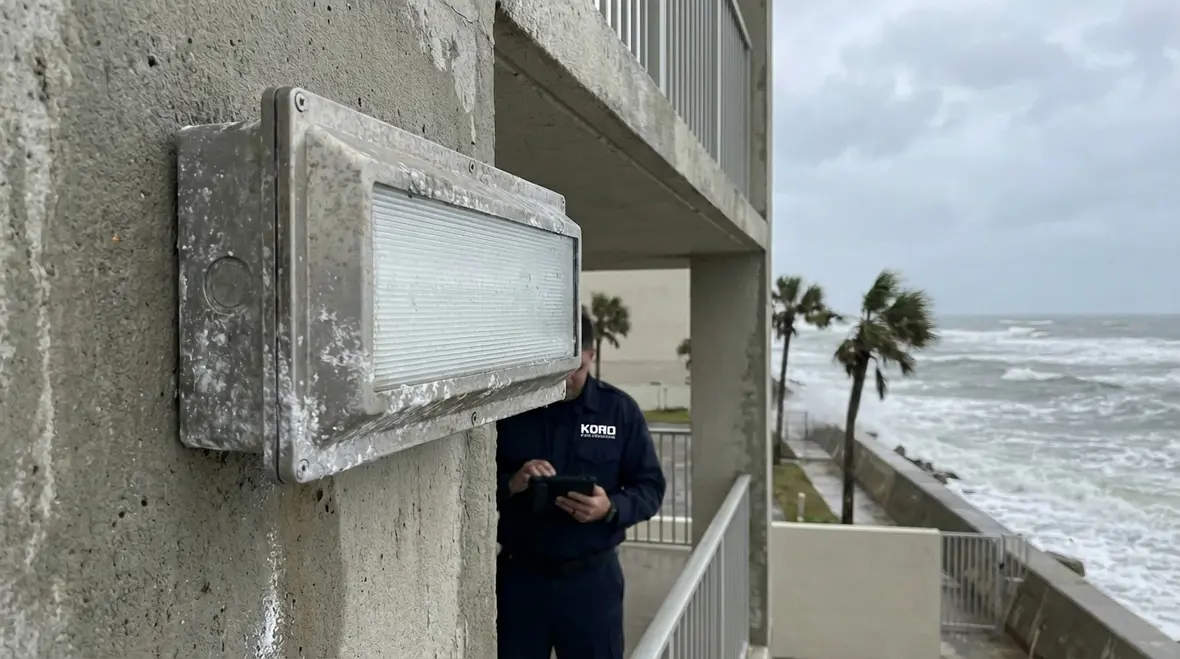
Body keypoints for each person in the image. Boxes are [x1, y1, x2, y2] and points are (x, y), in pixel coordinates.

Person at [495, 308, 667, 659]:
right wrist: (512, 483)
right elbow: (473, 489)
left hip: (592, 584)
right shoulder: (511, 411)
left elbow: (650, 487)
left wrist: (610, 507)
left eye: (574, 367)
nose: (564, 379)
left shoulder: (618, 412)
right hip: (520, 580)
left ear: (591, 354)